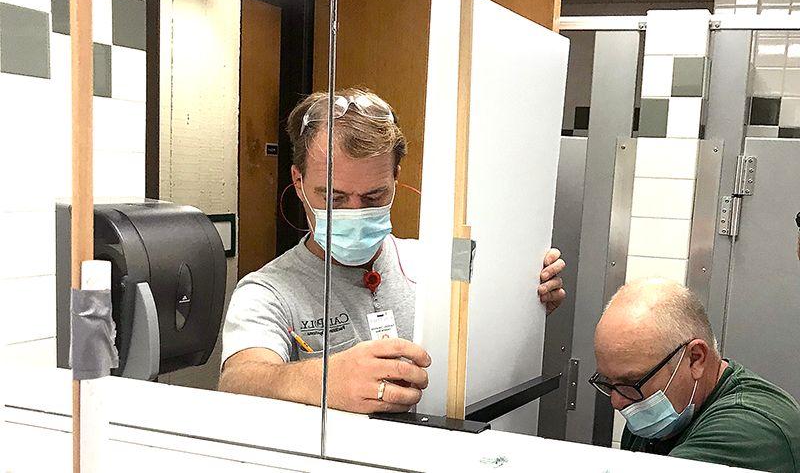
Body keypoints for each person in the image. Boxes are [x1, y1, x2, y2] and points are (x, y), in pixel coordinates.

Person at [218, 88, 567, 413]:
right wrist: (326, 380)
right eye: (334, 197)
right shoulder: (266, 292)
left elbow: (489, 316)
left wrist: (530, 300)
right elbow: (237, 380)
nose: (354, 212)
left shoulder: (438, 260)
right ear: (298, 182)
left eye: (373, 197)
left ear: (396, 178)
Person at [592, 278, 800, 472]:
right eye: (609, 383)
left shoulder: (749, 431)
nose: (617, 401)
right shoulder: (650, 415)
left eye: (632, 381)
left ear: (695, 358)